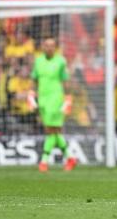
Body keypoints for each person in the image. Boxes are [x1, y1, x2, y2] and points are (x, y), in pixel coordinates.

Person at [34, 38, 76, 172]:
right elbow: (34, 79)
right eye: (46, 45)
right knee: (53, 130)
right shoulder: (38, 61)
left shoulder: (60, 61)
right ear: (42, 46)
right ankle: (70, 158)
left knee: (51, 129)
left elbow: (65, 80)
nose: (49, 48)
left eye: (52, 46)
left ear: (55, 47)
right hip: (42, 99)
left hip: (56, 98)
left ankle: (44, 161)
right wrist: (31, 95)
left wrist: (68, 98)